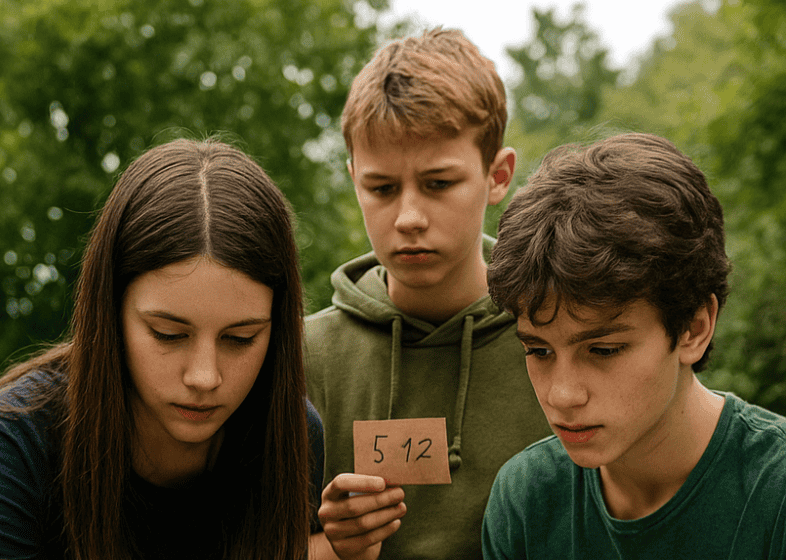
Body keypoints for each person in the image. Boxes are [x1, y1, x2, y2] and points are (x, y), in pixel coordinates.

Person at [0, 138, 322, 560]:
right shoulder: (17, 439)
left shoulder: (293, 434)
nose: (204, 377)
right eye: (168, 334)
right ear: (109, 312)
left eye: (240, 339)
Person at [305, 28, 551, 560]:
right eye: (382, 188)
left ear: (498, 175)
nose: (410, 218)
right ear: (353, 180)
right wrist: (334, 547)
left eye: (439, 184)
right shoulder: (301, 356)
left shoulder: (557, 340)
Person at [482, 133, 786, 559]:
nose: (562, 395)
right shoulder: (526, 499)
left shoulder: (774, 493)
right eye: (539, 351)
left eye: (603, 350)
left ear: (694, 328)